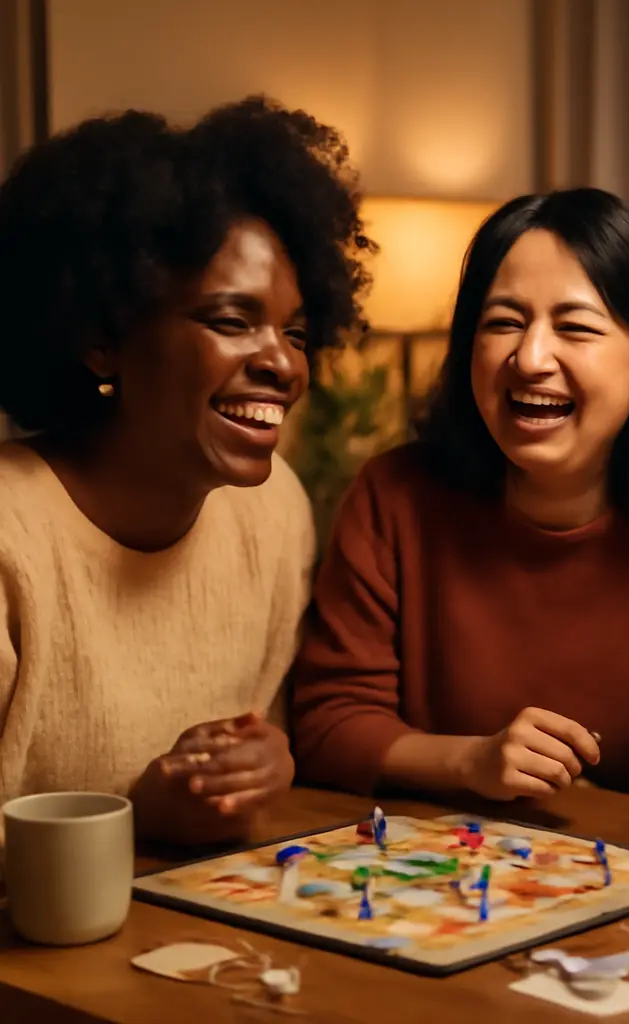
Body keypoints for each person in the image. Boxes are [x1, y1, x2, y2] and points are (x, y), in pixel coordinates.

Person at [290, 187, 629, 801]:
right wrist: (471, 762)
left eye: (574, 327)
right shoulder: (395, 495)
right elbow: (331, 722)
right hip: (453, 861)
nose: (531, 357)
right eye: (504, 323)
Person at [0, 96, 369, 845]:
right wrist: (133, 823)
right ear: (103, 339)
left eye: (295, 332)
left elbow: (266, 737)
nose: (280, 363)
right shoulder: (12, 536)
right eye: (231, 322)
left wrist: (269, 760)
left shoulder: (273, 514)